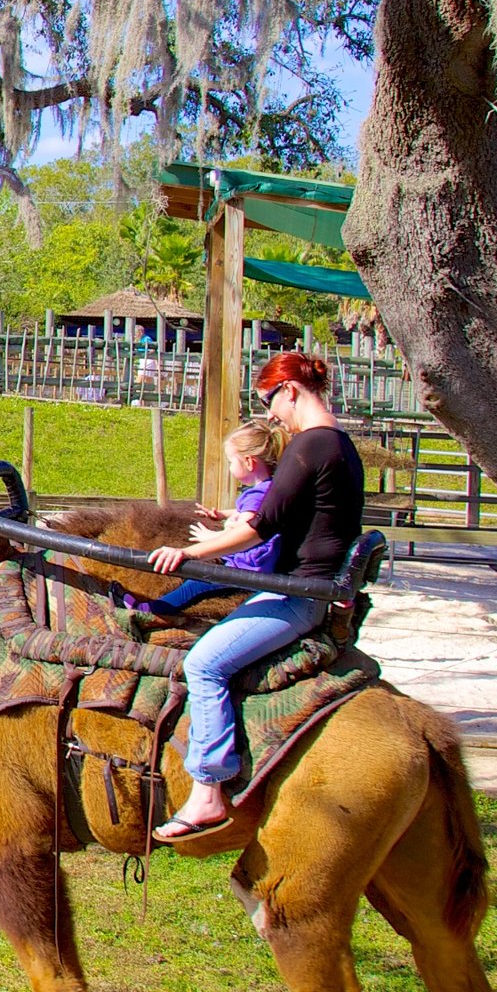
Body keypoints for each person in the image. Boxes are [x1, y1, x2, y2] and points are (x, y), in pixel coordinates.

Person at [147, 353, 364, 841]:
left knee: (203, 664)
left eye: (270, 402)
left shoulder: (311, 447)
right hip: (307, 587)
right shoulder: (339, 447)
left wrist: (186, 554)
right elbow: (274, 515)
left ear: (290, 390)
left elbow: (258, 528)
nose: (270, 416)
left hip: (298, 592)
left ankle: (207, 790)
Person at [144, 420, 284, 614]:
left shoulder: (256, 495)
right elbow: (251, 513)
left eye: (231, 462)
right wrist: (222, 514)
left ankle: (150, 610)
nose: (230, 467)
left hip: (248, 567)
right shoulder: (270, 488)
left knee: (197, 582)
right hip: (259, 563)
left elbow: (246, 531)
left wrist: (210, 537)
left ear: (249, 462)